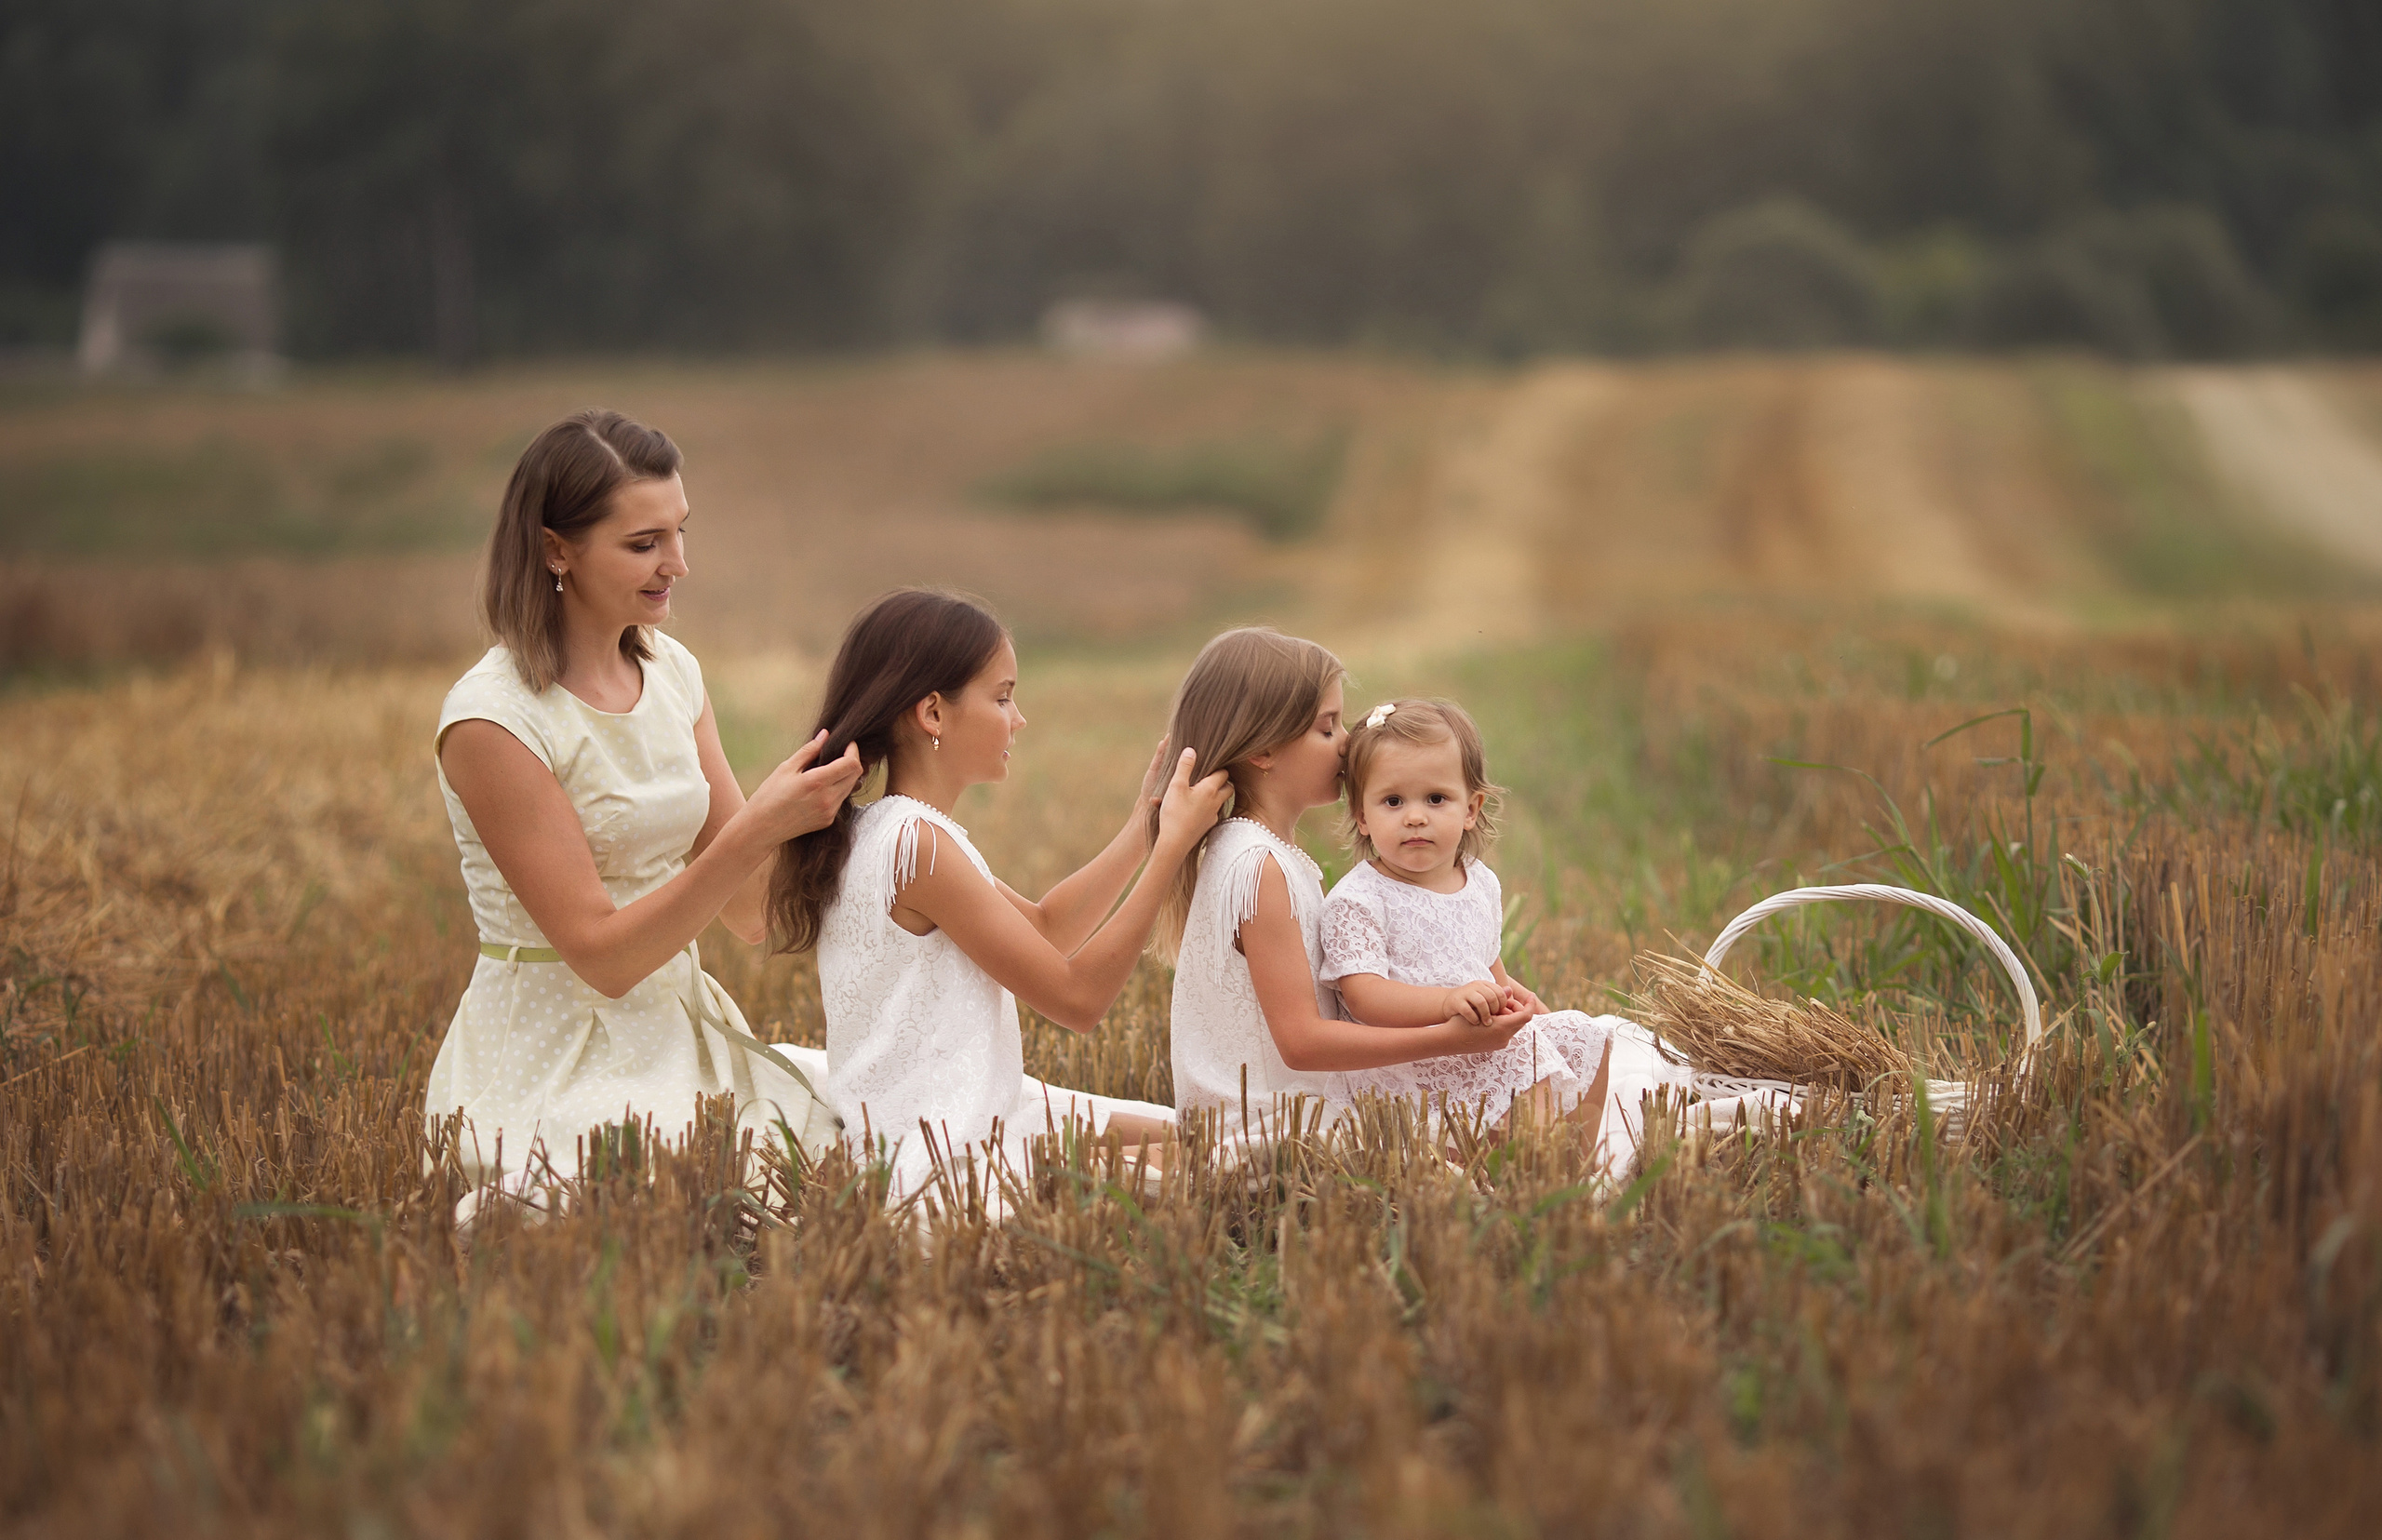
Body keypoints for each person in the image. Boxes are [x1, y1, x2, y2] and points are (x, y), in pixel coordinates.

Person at [426, 409, 863, 1210]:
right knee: (670, 1195)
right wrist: (760, 824)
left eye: (679, 532)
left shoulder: (671, 673)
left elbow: (752, 909)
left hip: (679, 1026)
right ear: (556, 549)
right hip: (556, 1049)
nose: (678, 564)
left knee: (879, 1132)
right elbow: (604, 956)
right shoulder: (493, 721)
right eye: (643, 544)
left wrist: (879, 817)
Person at [769, 588, 1231, 1208]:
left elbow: (1045, 929)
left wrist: (1144, 829)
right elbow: (1077, 998)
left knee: (1200, 1138)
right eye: (1003, 696)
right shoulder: (919, 847)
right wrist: (1173, 848)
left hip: (951, 1112)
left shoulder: (881, 829)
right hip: (948, 1148)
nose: (1018, 719)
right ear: (932, 713)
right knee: (1216, 1169)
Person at [1157, 629, 1566, 1141]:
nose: (1348, 742)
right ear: (1263, 750)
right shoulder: (1258, 866)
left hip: (1313, 1104)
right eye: (1328, 728)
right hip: (1286, 1124)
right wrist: (1450, 1038)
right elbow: (1302, 1045)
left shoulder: (1267, 853)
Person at [1323, 697, 1628, 1158]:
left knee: (1588, 1038)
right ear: (1362, 817)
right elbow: (1364, 996)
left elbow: (1484, 963)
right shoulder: (1357, 899)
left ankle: (1588, 1161)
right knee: (1526, 1063)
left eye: (1436, 798)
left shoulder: (1479, 881)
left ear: (1471, 808)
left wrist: (1514, 997)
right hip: (1411, 1059)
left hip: (1475, 1032)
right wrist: (1447, 1002)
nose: (1415, 816)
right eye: (1392, 801)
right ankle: (1518, 1174)